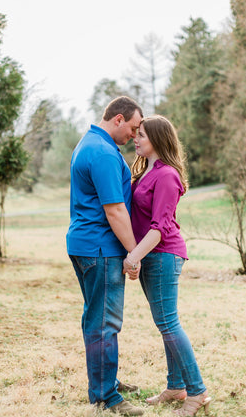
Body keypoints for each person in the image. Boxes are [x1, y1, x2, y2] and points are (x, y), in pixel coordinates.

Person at [123, 115, 211, 417]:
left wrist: (133, 256)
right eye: (137, 134)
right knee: (164, 324)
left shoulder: (167, 175)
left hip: (163, 254)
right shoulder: (147, 170)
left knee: (169, 323)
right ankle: (176, 386)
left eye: (143, 136)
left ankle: (197, 391)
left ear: (158, 140)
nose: (136, 139)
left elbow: (159, 227)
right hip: (151, 255)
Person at [66, 96, 144, 416]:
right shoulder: (102, 152)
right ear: (118, 119)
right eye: (134, 128)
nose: (134, 135)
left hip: (85, 245)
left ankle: (104, 380)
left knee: (96, 318)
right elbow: (114, 210)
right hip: (100, 249)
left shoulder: (91, 143)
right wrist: (133, 252)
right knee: (105, 322)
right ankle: (105, 396)